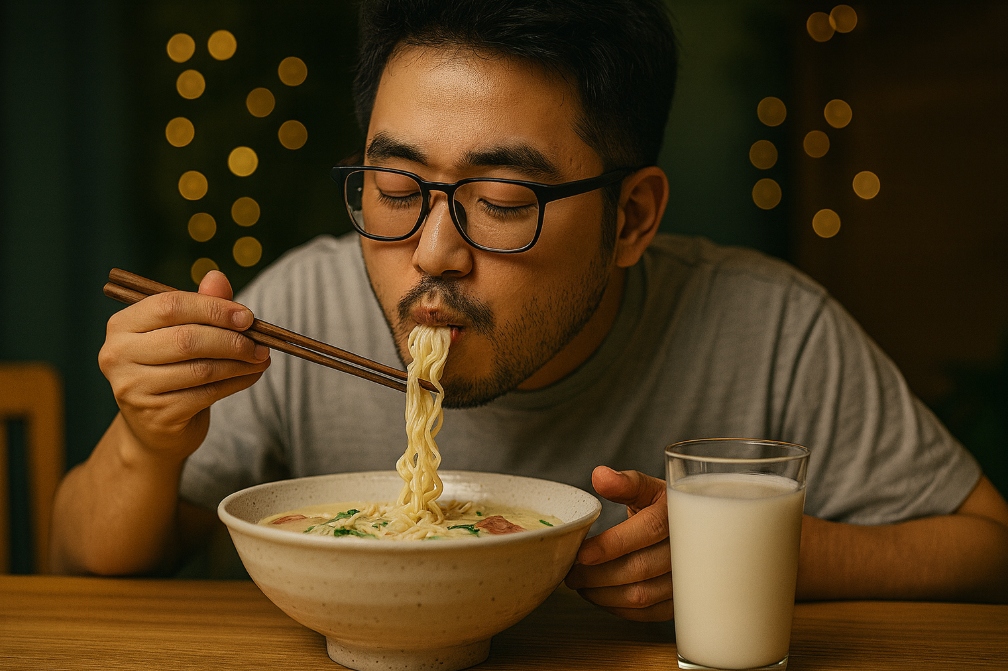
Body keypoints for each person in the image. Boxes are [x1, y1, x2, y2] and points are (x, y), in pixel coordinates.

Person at [51, 0, 1008, 617]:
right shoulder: (307, 297)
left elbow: (986, 549)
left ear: (631, 217)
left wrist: (762, 547)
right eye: (393, 187)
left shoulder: (771, 328)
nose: (431, 252)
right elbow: (78, 562)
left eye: (502, 202)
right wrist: (148, 437)